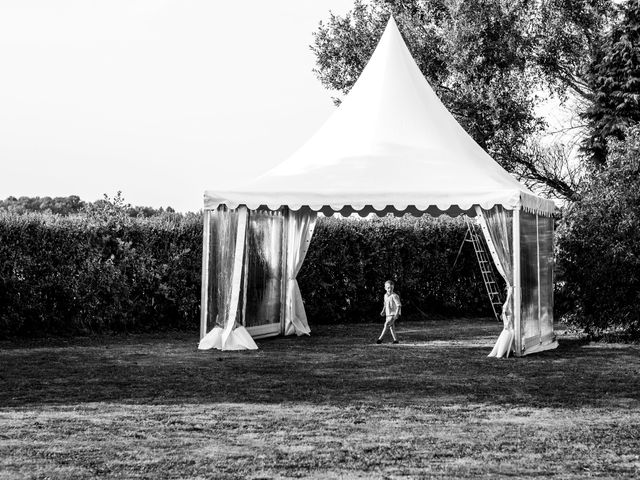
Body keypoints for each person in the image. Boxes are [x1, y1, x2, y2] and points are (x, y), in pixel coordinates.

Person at [376, 280, 401, 344]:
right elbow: (385, 304)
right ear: (385, 288)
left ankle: (380, 339)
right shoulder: (385, 295)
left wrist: (397, 314)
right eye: (388, 288)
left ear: (393, 288)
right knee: (391, 327)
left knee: (386, 324)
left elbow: (398, 305)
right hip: (388, 314)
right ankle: (395, 340)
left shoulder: (394, 296)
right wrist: (383, 310)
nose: (390, 289)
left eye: (391, 288)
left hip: (393, 314)